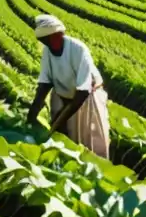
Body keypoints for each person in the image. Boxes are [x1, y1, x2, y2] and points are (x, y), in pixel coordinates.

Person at [24, 14, 110, 158]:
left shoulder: (78, 50)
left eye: (52, 38)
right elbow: (45, 83)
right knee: (62, 135)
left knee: (88, 140)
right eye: (45, 42)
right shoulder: (48, 51)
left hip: (86, 99)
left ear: (59, 36)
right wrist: (33, 113)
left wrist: (61, 118)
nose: (49, 44)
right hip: (62, 93)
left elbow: (83, 91)